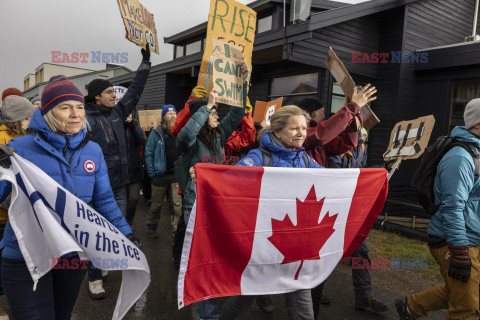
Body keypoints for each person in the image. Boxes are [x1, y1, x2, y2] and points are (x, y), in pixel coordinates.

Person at [0, 75, 139, 319]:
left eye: (79, 107)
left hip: (71, 256)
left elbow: (104, 200)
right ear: (48, 112)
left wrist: (125, 234)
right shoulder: (19, 148)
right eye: (65, 107)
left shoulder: (93, 150)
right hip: (24, 257)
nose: (75, 114)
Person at [189, 105, 323, 320]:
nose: (301, 133)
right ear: (277, 131)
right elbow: (231, 181)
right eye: (294, 128)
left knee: (303, 306)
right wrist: (205, 177)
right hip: (265, 243)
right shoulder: (259, 156)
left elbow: (331, 183)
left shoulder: (306, 159)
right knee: (246, 297)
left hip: (296, 245)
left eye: (304, 128)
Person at [396, 98, 480, 319]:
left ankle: (411, 307)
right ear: (478, 124)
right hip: (455, 241)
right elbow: (453, 207)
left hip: (473, 237)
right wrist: (460, 252)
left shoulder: (477, 152)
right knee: (467, 309)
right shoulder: (461, 158)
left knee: (466, 291)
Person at [177, 63, 248, 320]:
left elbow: (238, 113)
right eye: (213, 111)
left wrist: (243, 81)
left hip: (218, 205)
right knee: (204, 262)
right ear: (202, 113)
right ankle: (206, 314)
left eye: (217, 110)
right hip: (194, 205)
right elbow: (187, 132)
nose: (217, 115)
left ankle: (204, 308)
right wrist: (207, 104)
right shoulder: (188, 142)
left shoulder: (218, 136)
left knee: (214, 262)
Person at [84, 44, 151, 299]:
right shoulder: (85, 119)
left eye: (114, 92)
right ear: (97, 96)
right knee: (96, 234)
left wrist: (145, 63)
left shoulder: (119, 112)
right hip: (96, 190)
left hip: (120, 186)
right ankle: (94, 277)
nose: (115, 95)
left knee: (113, 231)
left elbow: (135, 89)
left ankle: (105, 263)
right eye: (109, 92)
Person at [325, 129, 387, 314]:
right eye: (360, 137)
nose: (363, 142)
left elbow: (363, 169)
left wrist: (383, 167)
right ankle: (313, 291)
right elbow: (336, 175)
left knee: (361, 250)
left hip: (352, 208)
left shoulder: (362, 147)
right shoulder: (336, 147)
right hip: (331, 208)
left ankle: (364, 296)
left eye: (364, 138)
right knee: (322, 252)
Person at [299, 84, 377, 167]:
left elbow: (346, 144)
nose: (324, 116)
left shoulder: (315, 135)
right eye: (322, 111)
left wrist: (352, 115)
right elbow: (322, 133)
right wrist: (352, 107)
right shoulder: (301, 132)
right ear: (315, 112)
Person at [144, 104, 182, 239]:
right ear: (163, 117)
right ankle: (152, 227)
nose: (172, 116)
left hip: (176, 176)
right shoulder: (156, 133)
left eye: (174, 113)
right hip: (159, 176)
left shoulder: (180, 132)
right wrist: (152, 173)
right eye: (169, 113)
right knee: (156, 206)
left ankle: (175, 235)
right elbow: (148, 153)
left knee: (177, 207)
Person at [124, 113, 145, 227]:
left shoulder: (135, 126)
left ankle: (129, 221)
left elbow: (141, 140)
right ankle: (123, 226)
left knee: (134, 199)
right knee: (122, 201)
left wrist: (132, 126)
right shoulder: (116, 125)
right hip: (120, 172)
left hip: (134, 172)